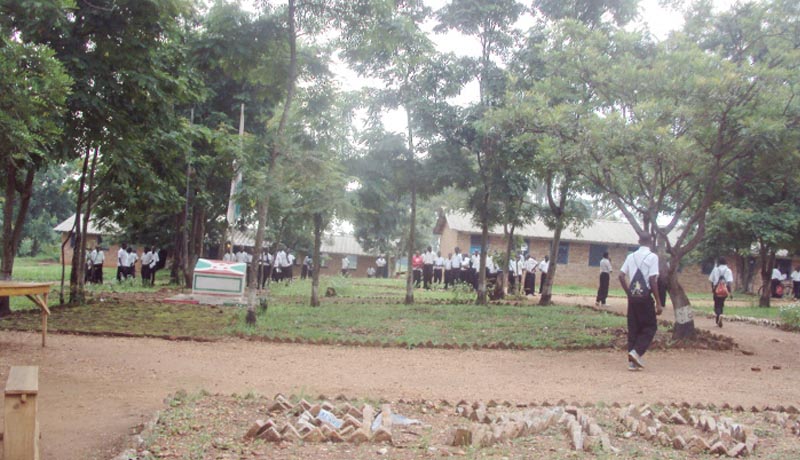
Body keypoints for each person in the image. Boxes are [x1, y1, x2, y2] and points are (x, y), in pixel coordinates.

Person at [619, 233, 663, 371]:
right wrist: (658, 302)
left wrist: (629, 293)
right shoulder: (652, 257)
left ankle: (632, 363)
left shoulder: (630, 256)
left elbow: (621, 276)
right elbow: (652, 280)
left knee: (634, 328)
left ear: (639, 241)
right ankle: (636, 352)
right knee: (650, 326)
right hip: (645, 298)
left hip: (633, 298)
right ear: (651, 242)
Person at [709, 257, 734, 328]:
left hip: (716, 291)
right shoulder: (728, 270)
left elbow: (711, 280)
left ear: (719, 262)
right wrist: (730, 293)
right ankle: (720, 317)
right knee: (721, 304)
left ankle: (718, 317)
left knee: (716, 305)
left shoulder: (715, 269)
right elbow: (729, 283)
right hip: (724, 291)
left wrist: (713, 289)